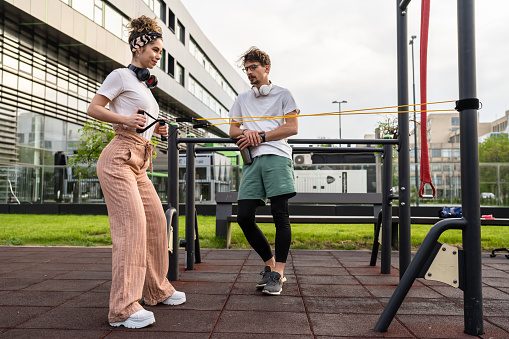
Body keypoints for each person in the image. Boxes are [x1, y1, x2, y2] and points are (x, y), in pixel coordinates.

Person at [87, 15, 185, 329]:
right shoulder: (120, 75)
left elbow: (142, 120)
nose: (158, 56)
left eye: (160, 51)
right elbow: (94, 108)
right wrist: (127, 120)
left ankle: (155, 290)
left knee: (157, 223)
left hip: (139, 161)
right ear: (138, 47)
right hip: (119, 158)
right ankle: (123, 309)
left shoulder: (144, 86)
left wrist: (155, 130)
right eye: (155, 49)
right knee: (132, 229)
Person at [229, 47, 299, 295]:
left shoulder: (283, 95)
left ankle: (279, 273)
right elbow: (232, 130)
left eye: (253, 68)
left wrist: (260, 134)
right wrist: (245, 132)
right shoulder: (242, 99)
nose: (249, 72)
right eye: (246, 69)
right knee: (244, 217)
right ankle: (270, 266)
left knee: (280, 214)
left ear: (266, 68)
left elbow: (292, 128)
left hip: (278, 157)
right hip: (252, 161)